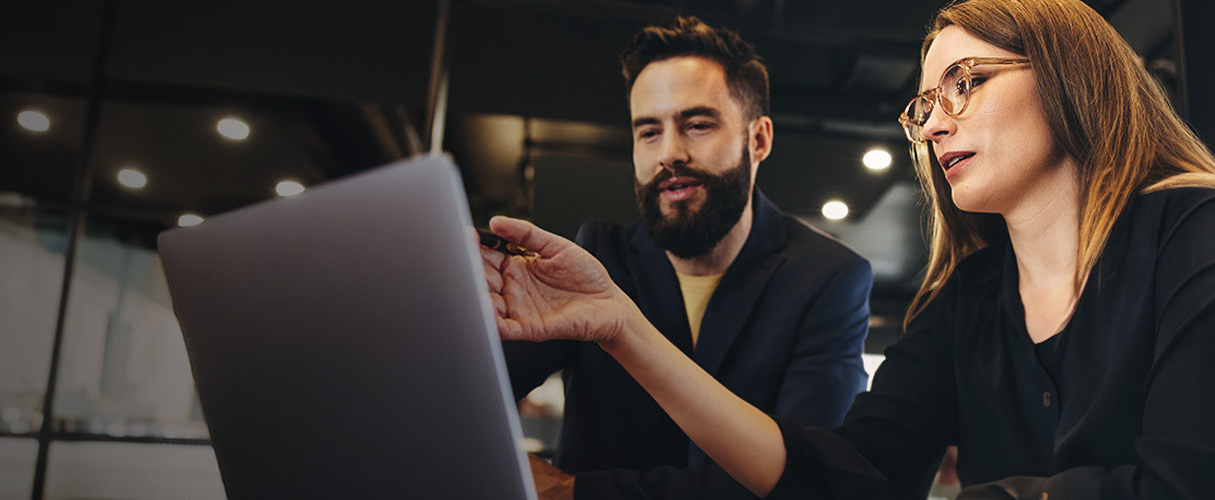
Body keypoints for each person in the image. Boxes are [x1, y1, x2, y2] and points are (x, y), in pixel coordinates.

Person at [482, 0, 1215, 498]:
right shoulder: (968, 300)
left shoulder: (1193, 234)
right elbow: (850, 475)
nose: (934, 127)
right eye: (925, 105)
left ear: (1071, 77)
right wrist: (620, 324)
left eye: (964, 83)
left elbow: (1181, 482)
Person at [501, 15, 872, 499]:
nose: (668, 153)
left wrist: (571, 492)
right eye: (648, 132)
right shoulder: (598, 258)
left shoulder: (827, 278)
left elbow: (807, 480)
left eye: (697, 125)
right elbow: (459, 404)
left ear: (757, 140)